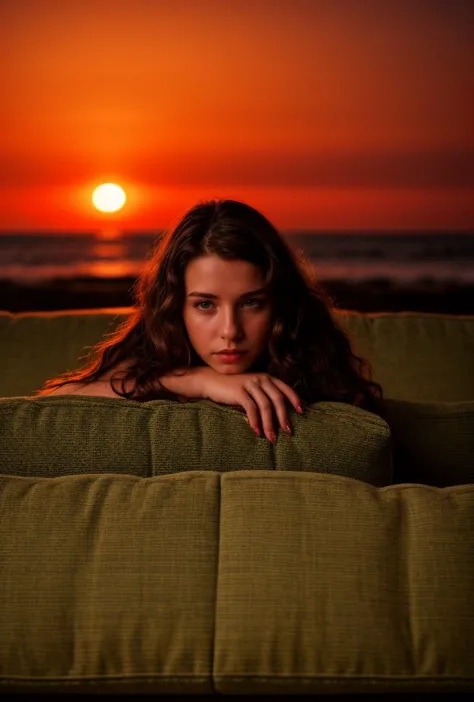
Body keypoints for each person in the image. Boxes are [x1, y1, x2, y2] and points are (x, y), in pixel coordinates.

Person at [38, 198, 383, 442]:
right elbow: (44, 409)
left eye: (251, 303)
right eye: (205, 305)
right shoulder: (158, 360)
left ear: (278, 304)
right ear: (177, 308)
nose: (230, 331)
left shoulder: (313, 364)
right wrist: (191, 380)